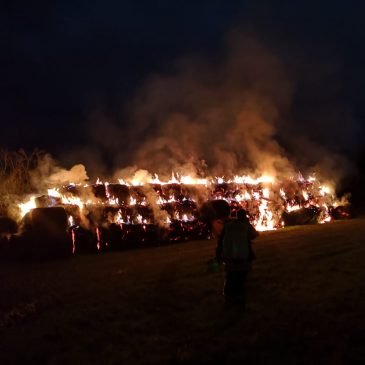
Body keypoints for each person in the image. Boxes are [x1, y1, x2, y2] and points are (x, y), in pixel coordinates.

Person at [216, 209, 259, 309]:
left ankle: (228, 302)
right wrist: (247, 224)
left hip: (229, 257)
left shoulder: (227, 226)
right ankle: (240, 304)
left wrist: (219, 255)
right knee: (241, 282)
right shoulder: (245, 226)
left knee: (230, 280)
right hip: (242, 257)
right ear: (244, 217)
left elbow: (221, 240)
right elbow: (255, 235)